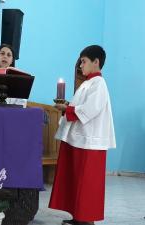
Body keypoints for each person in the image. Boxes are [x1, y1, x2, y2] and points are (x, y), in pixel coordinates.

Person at [49, 45, 116, 225]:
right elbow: (81, 107)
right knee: (77, 179)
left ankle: (86, 220)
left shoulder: (99, 84)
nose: (80, 66)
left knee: (86, 183)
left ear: (96, 62)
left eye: (84, 61)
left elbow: (90, 109)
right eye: (80, 62)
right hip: (80, 139)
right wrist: (68, 106)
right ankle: (78, 216)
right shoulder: (87, 83)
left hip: (90, 141)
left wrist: (67, 108)